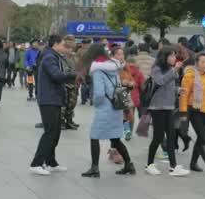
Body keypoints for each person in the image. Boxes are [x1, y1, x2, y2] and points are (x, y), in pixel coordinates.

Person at [80, 43, 134, 177]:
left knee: (94, 137)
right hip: (116, 107)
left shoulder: (97, 70)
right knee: (115, 138)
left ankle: (94, 168)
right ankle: (129, 164)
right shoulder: (113, 67)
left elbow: (99, 93)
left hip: (105, 108)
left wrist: (97, 104)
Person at [30, 35, 76, 175]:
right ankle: (36, 163)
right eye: (63, 44)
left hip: (54, 98)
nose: (65, 47)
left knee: (55, 132)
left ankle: (51, 162)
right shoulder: (50, 57)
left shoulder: (53, 56)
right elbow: (56, 75)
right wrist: (73, 75)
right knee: (50, 132)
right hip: (48, 99)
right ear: (55, 44)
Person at [144, 48, 185, 176]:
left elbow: (169, 87)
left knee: (171, 136)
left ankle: (173, 166)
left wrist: (178, 90)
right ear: (165, 57)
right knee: (158, 136)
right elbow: (160, 81)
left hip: (169, 106)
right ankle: (149, 164)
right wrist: (174, 70)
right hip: (158, 107)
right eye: (172, 56)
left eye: (174, 56)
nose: (174, 58)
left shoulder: (169, 69)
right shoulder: (156, 68)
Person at [180, 52, 205, 176]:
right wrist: (183, 113)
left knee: (201, 138)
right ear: (197, 62)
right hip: (194, 110)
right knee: (203, 137)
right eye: (202, 62)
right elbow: (184, 95)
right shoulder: (190, 75)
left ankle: (193, 163)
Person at [115, 46, 144, 140]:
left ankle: (126, 131)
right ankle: (129, 131)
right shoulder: (138, 72)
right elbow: (142, 85)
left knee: (125, 115)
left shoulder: (121, 71)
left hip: (122, 96)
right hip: (134, 97)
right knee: (131, 116)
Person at [61, 35, 80, 130]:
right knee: (63, 103)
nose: (73, 43)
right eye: (71, 41)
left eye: (73, 41)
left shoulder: (74, 56)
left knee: (72, 103)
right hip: (64, 83)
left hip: (74, 84)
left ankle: (69, 120)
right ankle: (61, 121)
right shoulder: (61, 57)